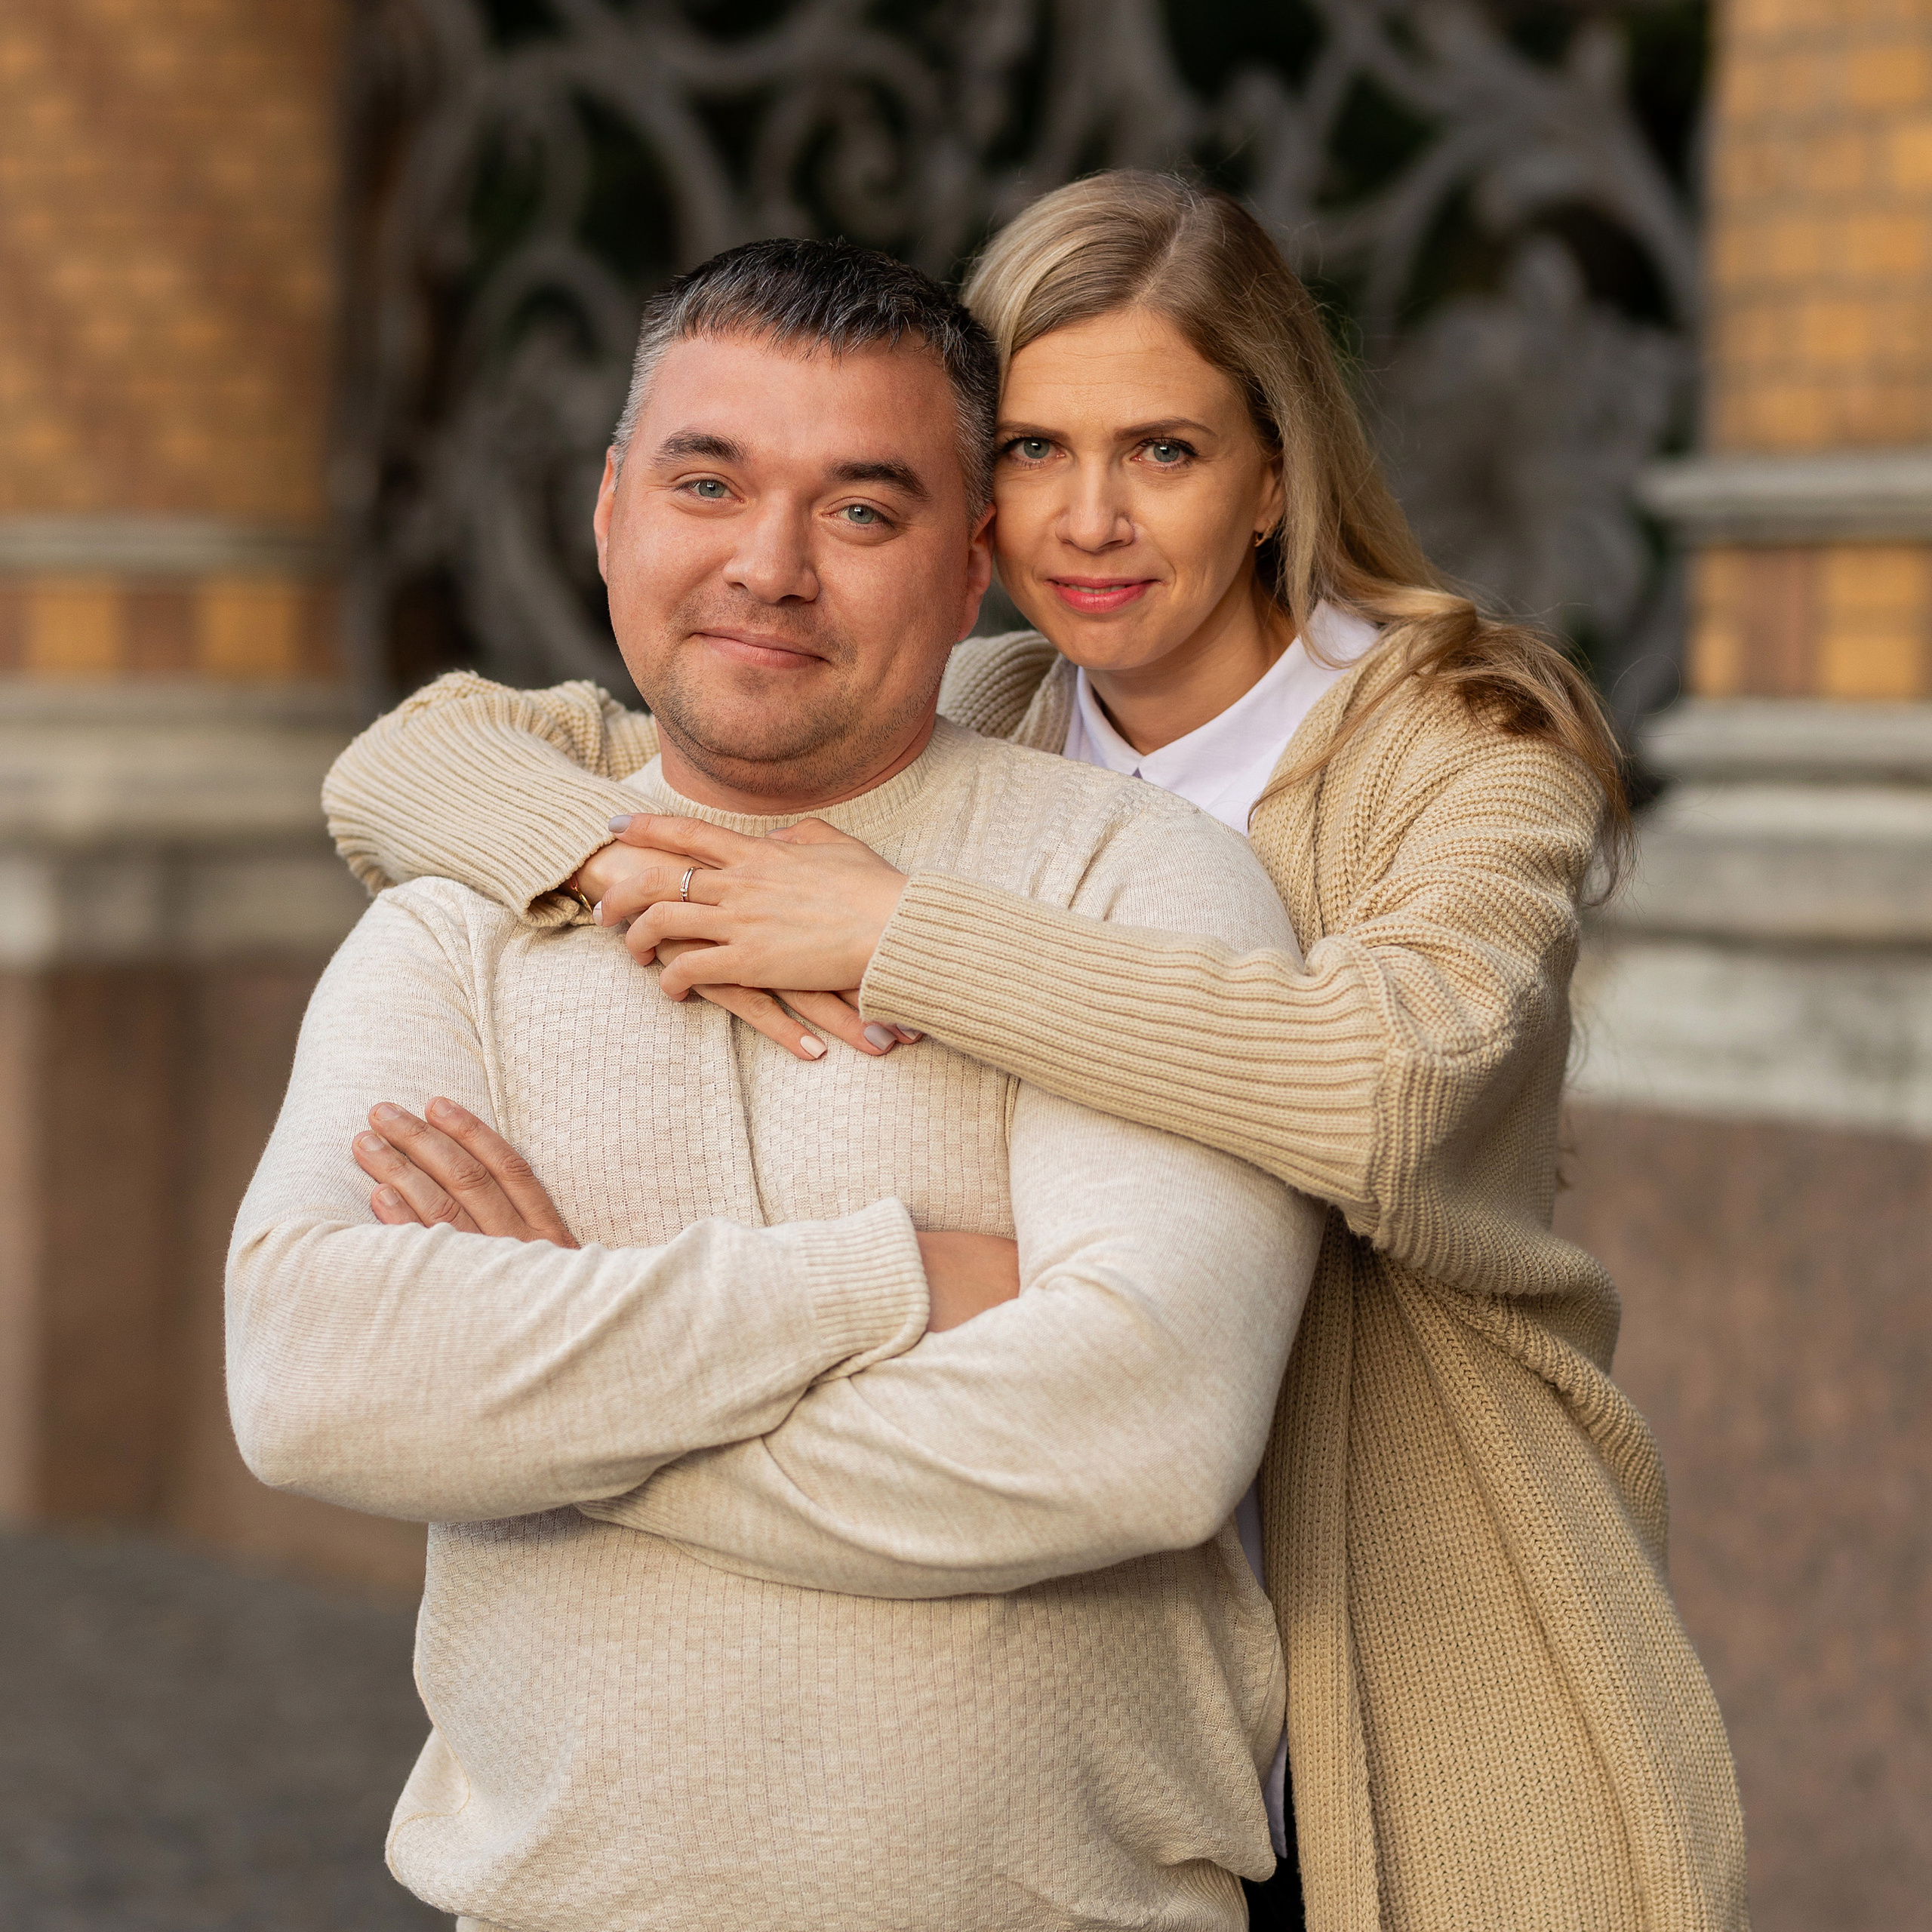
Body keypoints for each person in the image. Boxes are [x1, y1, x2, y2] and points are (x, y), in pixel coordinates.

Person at [325, 174, 1749, 1930]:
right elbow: (413, 756)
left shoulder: (1456, 743)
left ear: (1273, 477)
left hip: (1400, 1576)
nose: (1090, 517)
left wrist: (890, 937)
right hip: (1102, 1658)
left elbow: (1383, 1086)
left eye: (1160, 449)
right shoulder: (981, 703)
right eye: (1030, 450)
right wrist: (608, 856)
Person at [232, 237, 1329, 1932]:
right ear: (610, 511)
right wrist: (889, 1276)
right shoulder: (463, 919)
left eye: (861, 510)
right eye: (705, 481)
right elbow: (311, 1376)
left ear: (971, 561)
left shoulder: (1140, 887)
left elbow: (1138, 1433)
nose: (768, 563)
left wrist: (545, 1391)